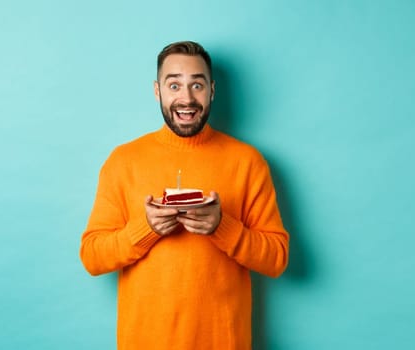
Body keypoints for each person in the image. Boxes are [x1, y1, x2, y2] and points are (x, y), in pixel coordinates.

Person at [79, 41, 289, 350]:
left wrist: (222, 227)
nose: (186, 98)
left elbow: (277, 259)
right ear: (157, 91)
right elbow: (93, 257)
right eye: (174, 84)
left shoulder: (248, 162)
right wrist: (146, 228)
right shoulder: (123, 161)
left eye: (197, 85)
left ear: (212, 90)